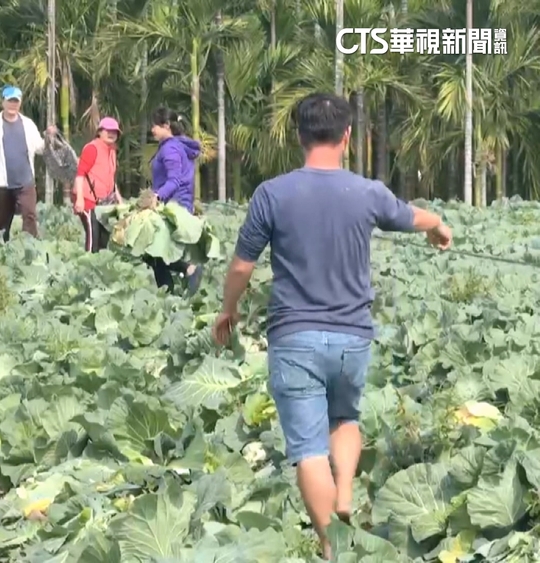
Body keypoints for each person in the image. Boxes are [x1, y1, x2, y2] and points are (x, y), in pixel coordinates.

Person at [211, 93, 452, 560]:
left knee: (306, 448)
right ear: (346, 137)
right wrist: (437, 226)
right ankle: (345, 494)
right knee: (345, 419)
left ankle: (330, 546)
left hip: (294, 337)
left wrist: (228, 309)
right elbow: (409, 215)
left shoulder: (272, 193)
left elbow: (242, 266)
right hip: (351, 337)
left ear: (298, 137)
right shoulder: (365, 191)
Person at [0, 85, 49, 241]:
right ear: (3, 102)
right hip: (1, 184)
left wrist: (50, 140)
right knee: (0, 223)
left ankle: (29, 249)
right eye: (10, 101)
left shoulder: (28, 124)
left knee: (30, 216)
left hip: (26, 182)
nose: (13, 105)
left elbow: (39, 147)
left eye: (16, 102)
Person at [146, 107, 203, 295]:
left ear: (166, 125)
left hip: (172, 206)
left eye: (154, 125)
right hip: (176, 204)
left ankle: (188, 270)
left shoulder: (170, 148)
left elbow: (174, 180)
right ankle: (171, 291)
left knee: (154, 252)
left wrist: (157, 196)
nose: (152, 130)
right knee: (156, 253)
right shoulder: (176, 146)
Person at [73, 117, 122, 252]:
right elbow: (80, 175)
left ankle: (99, 267)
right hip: (89, 200)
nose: (112, 134)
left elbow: (111, 178)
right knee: (93, 236)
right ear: (100, 132)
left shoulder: (112, 150)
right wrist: (80, 199)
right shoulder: (92, 148)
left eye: (115, 132)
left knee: (104, 239)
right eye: (108, 131)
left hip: (105, 202)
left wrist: (119, 199)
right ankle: (88, 265)